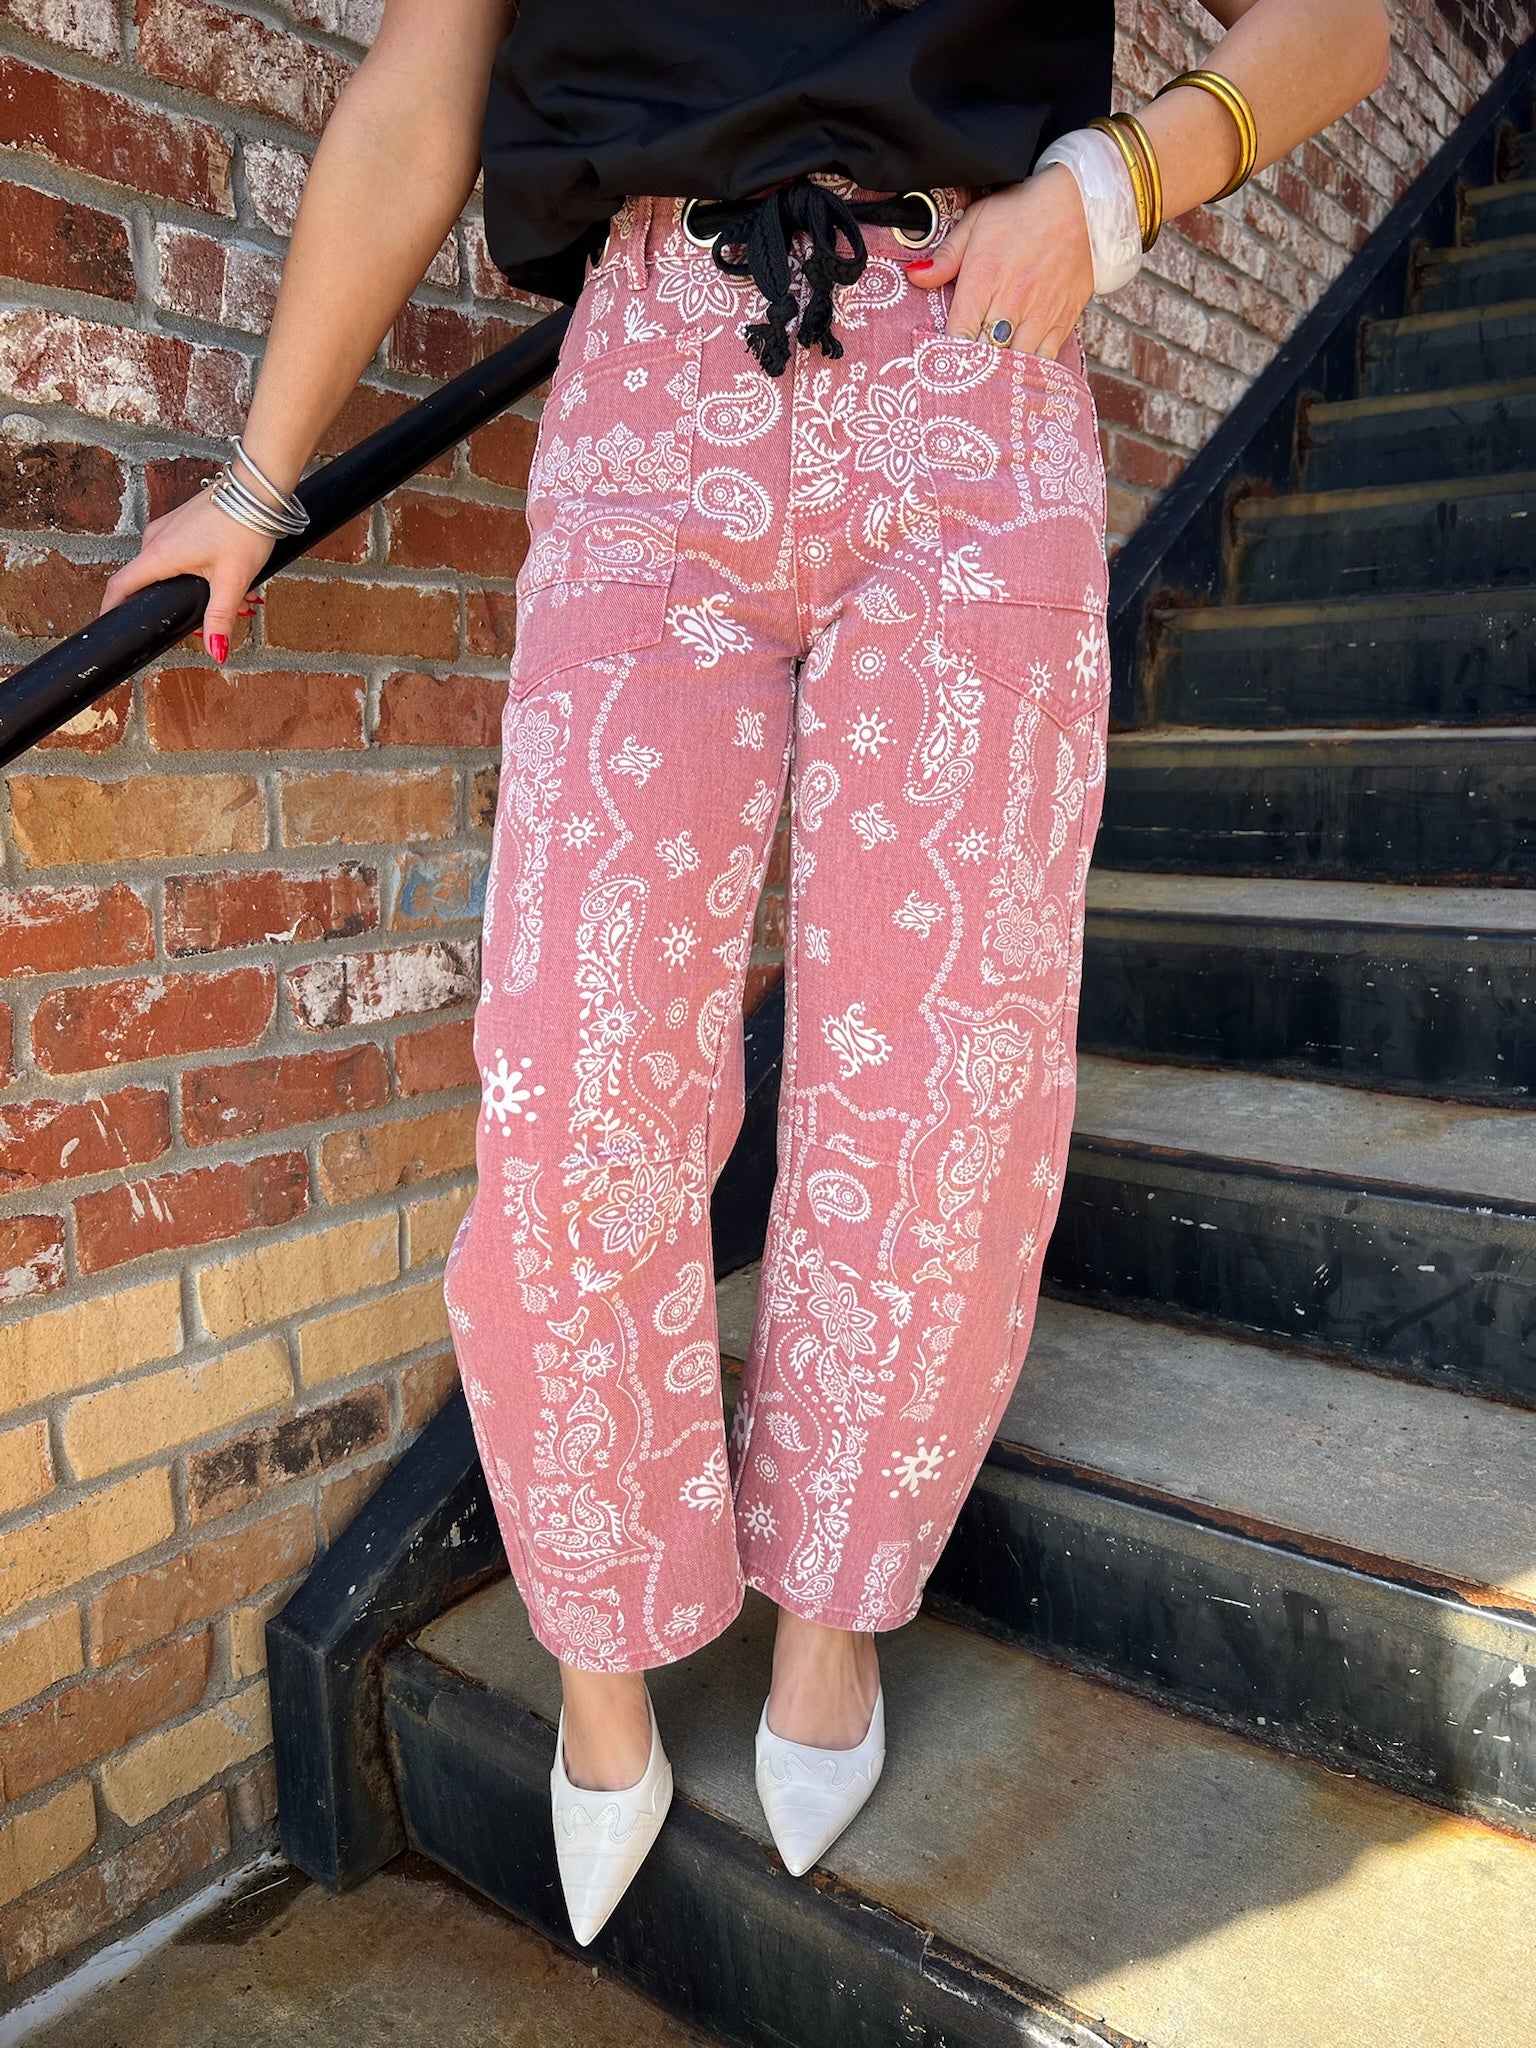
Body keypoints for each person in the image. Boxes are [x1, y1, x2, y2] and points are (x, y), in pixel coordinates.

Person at [101, 0, 1393, 1948]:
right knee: (574, 1080)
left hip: (973, 360)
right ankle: (603, 1658)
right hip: (650, 385)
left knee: (945, 1074)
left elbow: (1343, 26)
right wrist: (261, 480)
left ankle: (829, 1619)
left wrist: (1117, 187)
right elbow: (419, 95)